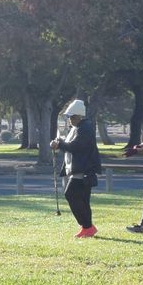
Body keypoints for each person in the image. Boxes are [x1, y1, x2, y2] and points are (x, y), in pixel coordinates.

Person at [50, 98, 102, 237]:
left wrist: (60, 144)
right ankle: (88, 227)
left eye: (72, 117)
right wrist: (59, 143)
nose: (70, 119)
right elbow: (69, 147)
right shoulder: (76, 128)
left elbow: (76, 147)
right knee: (83, 200)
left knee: (70, 194)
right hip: (77, 169)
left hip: (83, 170)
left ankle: (87, 226)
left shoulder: (85, 128)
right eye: (68, 117)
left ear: (79, 116)